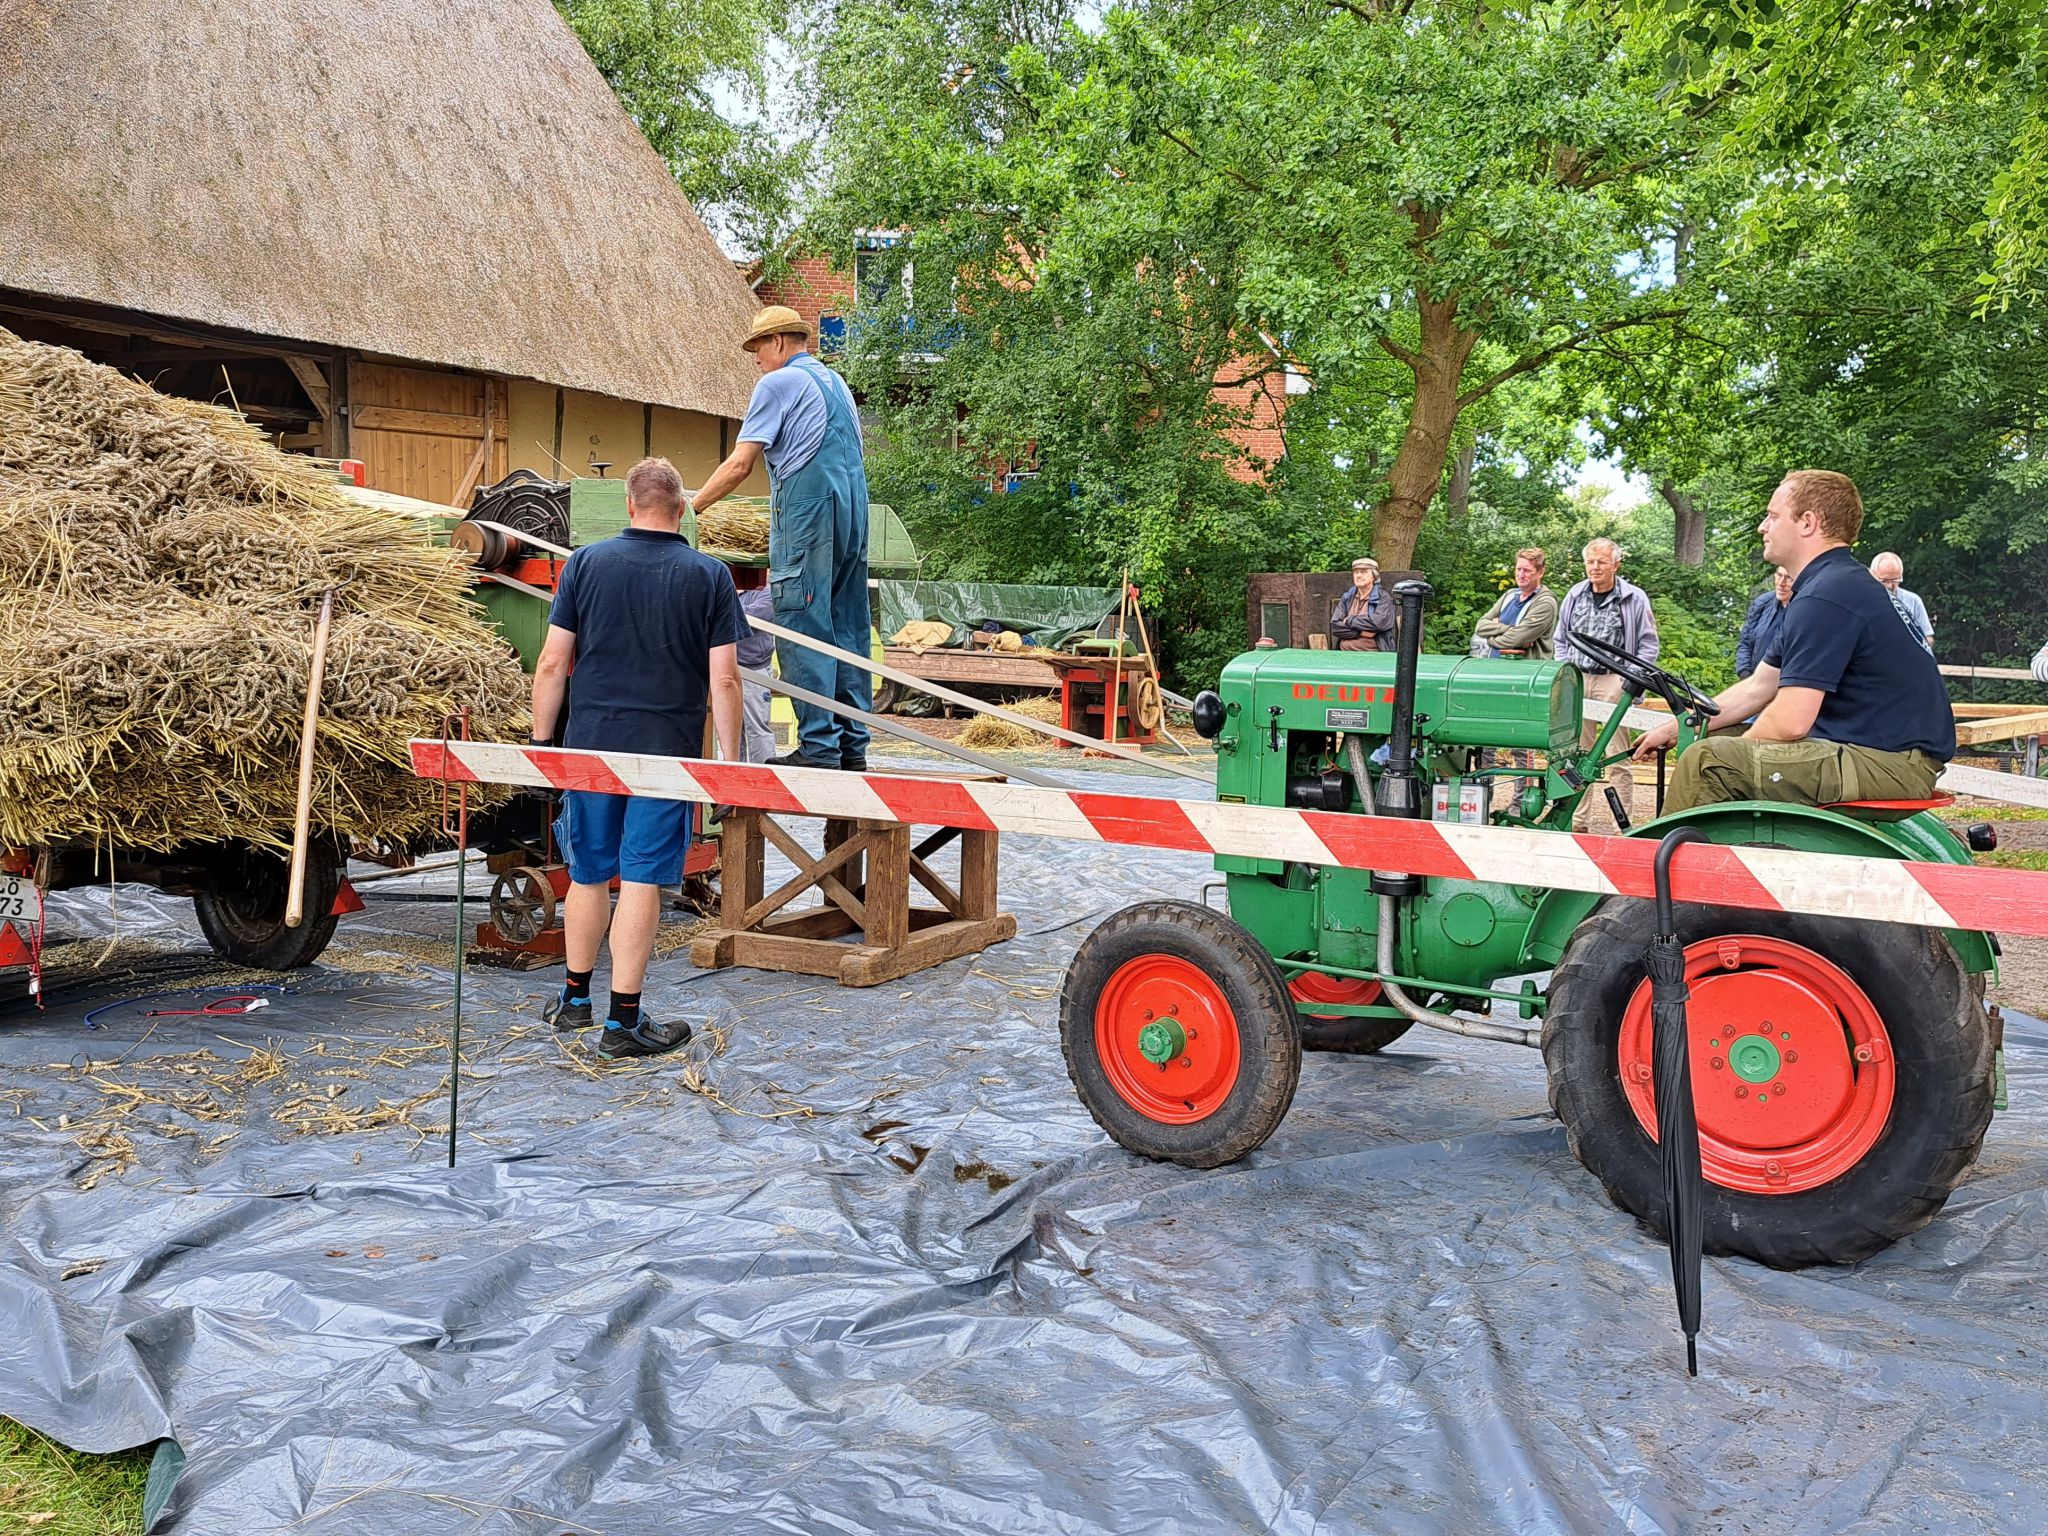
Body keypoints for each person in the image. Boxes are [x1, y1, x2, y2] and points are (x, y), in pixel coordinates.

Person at [530, 457, 745, 1060]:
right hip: (665, 752)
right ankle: (623, 1022)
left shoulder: (585, 564)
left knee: (588, 873)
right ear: (681, 511)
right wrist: (728, 766)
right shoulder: (709, 575)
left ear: (630, 505)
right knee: (643, 877)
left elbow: (551, 663)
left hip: (590, 746)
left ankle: (574, 1000)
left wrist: (542, 746)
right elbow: (725, 681)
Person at [1634, 471, 1954, 811]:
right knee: (1709, 740)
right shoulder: (1833, 585)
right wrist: (1679, 727)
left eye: (1773, 516)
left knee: (1708, 762)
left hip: (1888, 764)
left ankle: (1663, 848)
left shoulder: (1828, 595)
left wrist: (1736, 760)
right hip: (1883, 756)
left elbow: (1790, 721)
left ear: (1807, 523)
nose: (1763, 527)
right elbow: (1757, 687)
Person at [690, 306, 872, 771]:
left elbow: (740, 464)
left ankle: (819, 748)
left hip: (808, 513)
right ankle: (852, 748)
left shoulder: (777, 383)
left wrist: (690, 510)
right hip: (854, 513)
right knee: (846, 626)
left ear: (777, 342)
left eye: (757, 348)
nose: (755, 359)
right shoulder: (837, 383)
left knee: (802, 622)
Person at [1554, 538, 1660, 831]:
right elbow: (1560, 638)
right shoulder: (1575, 594)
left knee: (1616, 753)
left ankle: (1621, 825)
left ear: (1616, 565)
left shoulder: (1633, 598)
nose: (1595, 567)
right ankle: (1577, 821)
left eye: (1601, 562)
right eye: (1590, 562)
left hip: (1614, 679)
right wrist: (1565, 672)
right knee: (1577, 754)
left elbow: (1648, 645)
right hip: (1579, 678)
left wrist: (1630, 680)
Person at [1471, 547, 1559, 658]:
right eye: (1518, 569)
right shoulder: (1510, 595)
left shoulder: (1545, 602)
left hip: (1526, 668)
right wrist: (1509, 629)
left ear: (1540, 572)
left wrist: (1487, 640)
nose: (1521, 575)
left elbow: (1516, 639)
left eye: (1527, 570)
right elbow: (1480, 626)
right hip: (1495, 665)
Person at [736, 581, 778, 762]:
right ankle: (735, 773)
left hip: (754, 671)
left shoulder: (767, 592)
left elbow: (753, 616)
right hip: (728, 669)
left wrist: (723, 608)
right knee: (732, 731)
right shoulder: (727, 589)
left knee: (757, 729)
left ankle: (765, 773)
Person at [1735, 566, 1795, 679]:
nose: (1781, 583)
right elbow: (1745, 643)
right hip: (1753, 681)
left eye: (1789, 578)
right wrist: (1745, 675)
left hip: (1786, 683)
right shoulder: (1762, 603)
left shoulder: (1805, 611)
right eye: (1779, 575)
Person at [1869, 552, 1934, 653]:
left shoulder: (1913, 601)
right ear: (1872, 576)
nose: (1890, 585)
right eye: (1884, 581)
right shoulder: (1864, 601)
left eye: (1895, 580)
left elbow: (1928, 638)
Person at [1330, 557, 1395, 651]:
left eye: (1364, 572)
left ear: (1374, 577)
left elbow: (1378, 623)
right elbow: (1335, 625)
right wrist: (1361, 633)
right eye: (1356, 572)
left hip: (1374, 653)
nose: (1358, 575)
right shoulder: (1347, 597)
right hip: (1344, 652)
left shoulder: (1383, 597)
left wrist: (1349, 620)